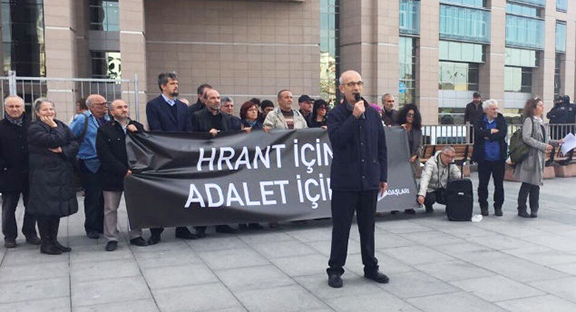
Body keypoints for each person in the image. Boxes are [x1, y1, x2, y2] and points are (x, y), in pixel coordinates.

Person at [326, 70, 389, 288]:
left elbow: (381, 146)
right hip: (345, 182)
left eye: (359, 83)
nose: (357, 88)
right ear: (342, 89)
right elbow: (337, 139)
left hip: (369, 180)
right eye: (351, 84)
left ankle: (371, 267)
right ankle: (335, 270)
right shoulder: (335, 114)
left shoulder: (372, 114)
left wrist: (383, 176)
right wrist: (354, 117)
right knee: (341, 228)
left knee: (368, 227)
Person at [146, 72, 197, 244]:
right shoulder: (153, 105)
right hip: (164, 155)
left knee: (182, 192)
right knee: (161, 194)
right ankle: (156, 230)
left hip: (181, 155)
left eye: (177, 83)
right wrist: (171, 146)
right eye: (172, 83)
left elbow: (188, 129)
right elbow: (156, 129)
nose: (176, 86)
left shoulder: (183, 107)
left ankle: (181, 227)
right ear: (163, 86)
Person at [27, 98, 79, 255]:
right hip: (43, 175)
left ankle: (54, 240)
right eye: (45, 110)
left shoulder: (61, 124)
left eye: (51, 109)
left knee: (56, 209)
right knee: (45, 210)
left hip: (60, 175)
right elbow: (52, 140)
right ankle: (46, 243)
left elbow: (74, 143)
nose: (49, 112)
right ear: (37, 112)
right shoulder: (34, 128)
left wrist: (63, 150)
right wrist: (54, 128)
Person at [96, 99, 148, 251]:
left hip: (135, 174)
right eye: (119, 107)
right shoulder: (105, 130)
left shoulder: (137, 126)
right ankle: (111, 238)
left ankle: (136, 235)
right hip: (113, 175)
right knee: (110, 208)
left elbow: (146, 147)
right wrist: (122, 170)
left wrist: (137, 132)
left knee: (136, 206)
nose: (124, 110)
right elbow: (104, 154)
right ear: (112, 112)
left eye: (126, 106)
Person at [192, 88, 239, 237]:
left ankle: (221, 223)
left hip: (222, 159)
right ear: (205, 101)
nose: (216, 101)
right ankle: (201, 226)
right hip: (205, 160)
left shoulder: (226, 117)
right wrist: (207, 135)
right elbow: (191, 137)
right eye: (212, 98)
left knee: (222, 191)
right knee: (204, 193)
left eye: (218, 98)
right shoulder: (197, 116)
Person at [0, 95, 40, 248]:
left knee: (32, 205)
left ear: (23, 108)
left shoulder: (32, 126)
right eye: (11, 106)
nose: (15, 109)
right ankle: (10, 236)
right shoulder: (1, 127)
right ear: (5, 108)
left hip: (31, 173)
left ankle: (30, 233)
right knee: (9, 207)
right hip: (9, 174)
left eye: (18, 106)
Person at [69, 94, 110, 239]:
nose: (105, 106)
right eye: (101, 104)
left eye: (106, 103)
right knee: (92, 196)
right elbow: (69, 135)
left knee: (104, 197)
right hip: (89, 163)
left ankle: (102, 225)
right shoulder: (82, 119)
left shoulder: (107, 119)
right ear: (92, 107)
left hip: (106, 164)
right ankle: (91, 227)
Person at [514, 97, 561, 218]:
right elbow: (527, 138)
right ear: (533, 108)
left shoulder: (540, 121)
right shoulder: (529, 120)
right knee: (527, 183)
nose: (543, 107)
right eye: (540, 105)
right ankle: (522, 208)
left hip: (539, 157)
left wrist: (556, 142)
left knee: (535, 184)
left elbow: (544, 139)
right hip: (530, 157)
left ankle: (534, 208)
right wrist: (543, 146)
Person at [472, 99, 507, 217]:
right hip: (484, 158)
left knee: (499, 184)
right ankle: (483, 206)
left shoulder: (501, 119)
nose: (495, 111)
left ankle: (498, 207)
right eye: (493, 109)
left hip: (498, 158)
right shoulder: (480, 119)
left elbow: (502, 133)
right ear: (486, 110)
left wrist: (488, 135)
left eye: (496, 108)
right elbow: (477, 132)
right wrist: (490, 131)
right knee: (483, 184)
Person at [417, 146, 461, 213]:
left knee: (452, 194)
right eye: (448, 156)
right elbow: (425, 178)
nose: (450, 159)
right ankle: (428, 206)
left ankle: (449, 206)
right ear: (442, 154)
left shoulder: (451, 162)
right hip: (430, 188)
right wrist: (422, 194)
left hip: (443, 187)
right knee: (429, 199)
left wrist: (460, 176)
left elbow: (457, 174)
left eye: (452, 157)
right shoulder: (430, 163)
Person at [397, 104, 423, 214]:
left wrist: (415, 155)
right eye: (409, 115)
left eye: (413, 115)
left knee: (411, 182)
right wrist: (400, 130)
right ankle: (396, 205)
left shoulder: (417, 130)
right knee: (399, 183)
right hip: (400, 160)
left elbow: (420, 145)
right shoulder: (399, 128)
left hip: (412, 160)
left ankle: (409, 205)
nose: (410, 117)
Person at [547, 95, 575, 164]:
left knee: (568, 144)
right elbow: (549, 115)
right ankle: (553, 158)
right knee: (556, 143)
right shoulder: (558, 107)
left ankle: (568, 158)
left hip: (567, 129)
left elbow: (550, 115)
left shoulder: (571, 107)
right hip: (559, 129)